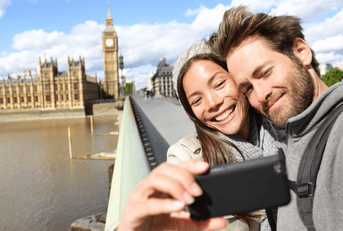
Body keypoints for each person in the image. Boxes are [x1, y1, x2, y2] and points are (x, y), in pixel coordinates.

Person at [112, 40, 282, 231]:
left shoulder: (286, 129)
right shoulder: (187, 158)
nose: (212, 103)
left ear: (238, 80)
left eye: (218, 84)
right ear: (191, 111)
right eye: (197, 100)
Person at [211, 5, 343, 231]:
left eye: (265, 73)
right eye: (247, 89)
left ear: (301, 51)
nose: (261, 95)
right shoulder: (284, 141)